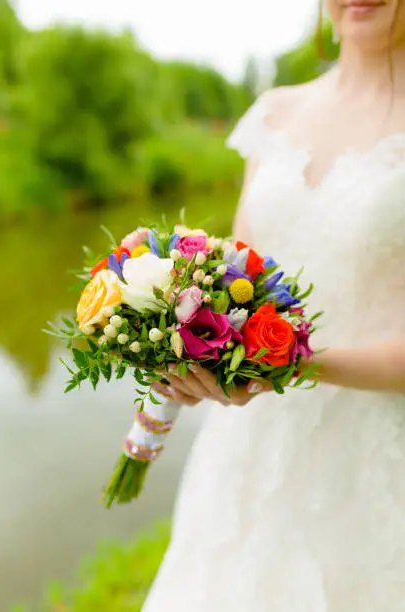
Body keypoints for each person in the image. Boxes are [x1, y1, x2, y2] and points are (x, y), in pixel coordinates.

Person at [144, 1, 405, 609]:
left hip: (371, 458)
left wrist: (291, 360)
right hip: (247, 448)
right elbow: (239, 275)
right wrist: (191, 349)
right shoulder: (275, 112)